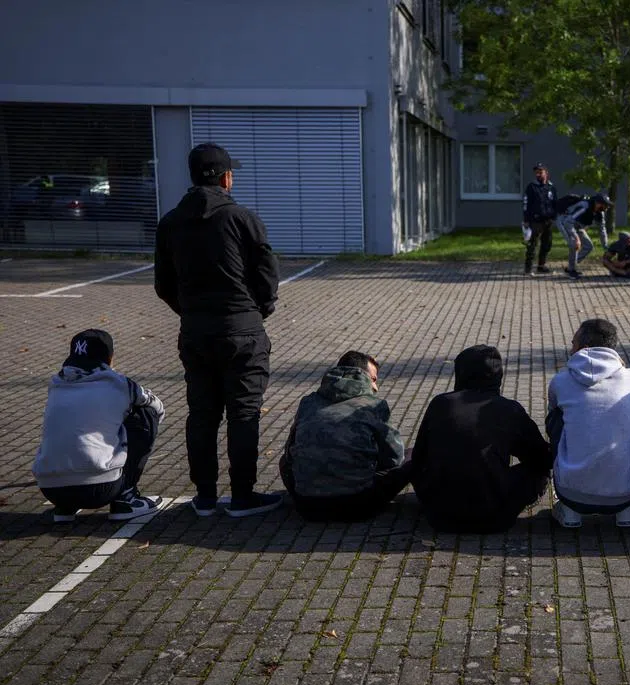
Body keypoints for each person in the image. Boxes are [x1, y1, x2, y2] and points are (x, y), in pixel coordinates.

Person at [154, 143, 282, 518]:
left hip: (196, 331)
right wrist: (257, 310)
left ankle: (206, 497)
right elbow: (266, 274)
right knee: (244, 413)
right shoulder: (242, 218)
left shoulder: (171, 222)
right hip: (242, 330)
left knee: (202, 413)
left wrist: (190, 311)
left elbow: (164, 284)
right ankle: (242, 495)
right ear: (225, 177)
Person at [410, 345, 552, 533]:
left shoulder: (441, 403)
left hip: (439, 515)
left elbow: (419, 457)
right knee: (538, 473)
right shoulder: (508, 409)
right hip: (494, 517)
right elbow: (540, 458)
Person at [33, 330, 164, 524]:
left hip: (50, 489)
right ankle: (126, 498)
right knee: (145, 413)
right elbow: (158, 409)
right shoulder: (119, 384)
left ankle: (65, 507)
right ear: (110, 358)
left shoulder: (56, 384)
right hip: (100, 489)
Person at [279, 352, 409, 522]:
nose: (376, 387)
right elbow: (395, 458)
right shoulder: (374, 405)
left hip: (307, 507)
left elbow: (290, 453)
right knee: (412, 457)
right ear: (362, 376)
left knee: (284, 461)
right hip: (357, 505)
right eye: (374, 379)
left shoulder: (308, 402)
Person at [547, 319, 630, 528]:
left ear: (583, 349)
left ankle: (570, 512)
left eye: (572, 343)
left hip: (570, 492)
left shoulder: (560, 380)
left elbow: (553, 413)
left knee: (558, 417)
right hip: (625, 493)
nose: (570, 348)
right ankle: (626, 512)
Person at [555, 193, 611, 279]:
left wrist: (606, 247)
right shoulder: (584, 207)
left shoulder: (600, 213)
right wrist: (577, 238)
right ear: (597, 203)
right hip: (565, 221)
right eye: (605, 205)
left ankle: (571, 266)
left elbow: (602, 230)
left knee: (588, 246)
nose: (606, 208)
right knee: (574, 244)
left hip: (577, 225)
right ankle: (571, 271)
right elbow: (568, 222)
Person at [522, 162, 557, 276]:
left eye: (540, 172)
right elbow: (526, 203)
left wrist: (555, 216)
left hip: (548, 220)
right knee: (532, 244)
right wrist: (526, 219)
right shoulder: (531, 187)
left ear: (546, 173)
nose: (538, 174)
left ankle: (541, 266)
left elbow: (555, 203)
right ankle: (528, 268)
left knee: (547, 244)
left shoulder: (551, 187)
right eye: (536, 172)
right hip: (535, 220)